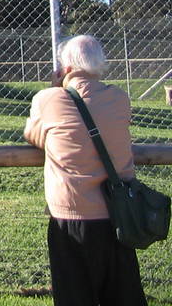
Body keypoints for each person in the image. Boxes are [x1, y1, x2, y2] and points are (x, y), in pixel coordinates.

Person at [23, 34, 146, 306]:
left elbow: (33, 135)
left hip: (71, 217)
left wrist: (56, 88)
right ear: (99, 66)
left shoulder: (48, 99)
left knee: (74, 296)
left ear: (65, 68)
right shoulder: (119, 98)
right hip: (118, 216)